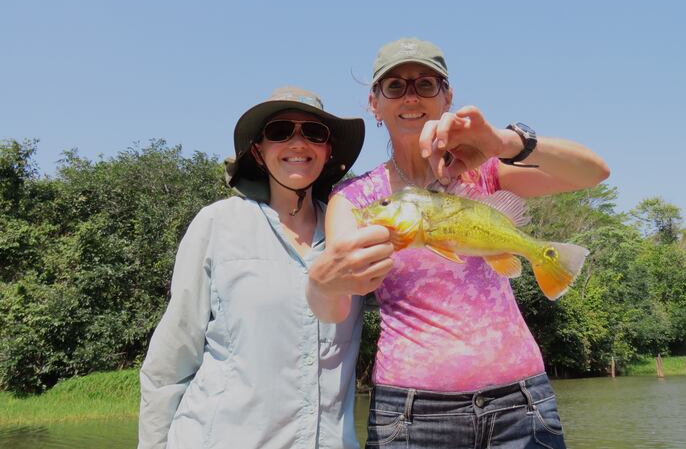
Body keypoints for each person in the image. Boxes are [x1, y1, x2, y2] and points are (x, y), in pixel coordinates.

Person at [306, 38, 610, 449]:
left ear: (447, 97)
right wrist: (324, 281)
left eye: (426, 85)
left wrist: (505, 143)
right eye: (394, 86)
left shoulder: (486, 171)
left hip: (521, 406)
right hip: (412, 416)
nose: (411, 96)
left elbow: (593, 172)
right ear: (374, 104)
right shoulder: (355, 200)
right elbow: (339, 305)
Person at [138, 86, 366, 449]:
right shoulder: (216, 224)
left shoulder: (355, 234)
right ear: (259, 152)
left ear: (328, 150)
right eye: (279, 132)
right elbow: (170, 360)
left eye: (313, 133)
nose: (297, 143)